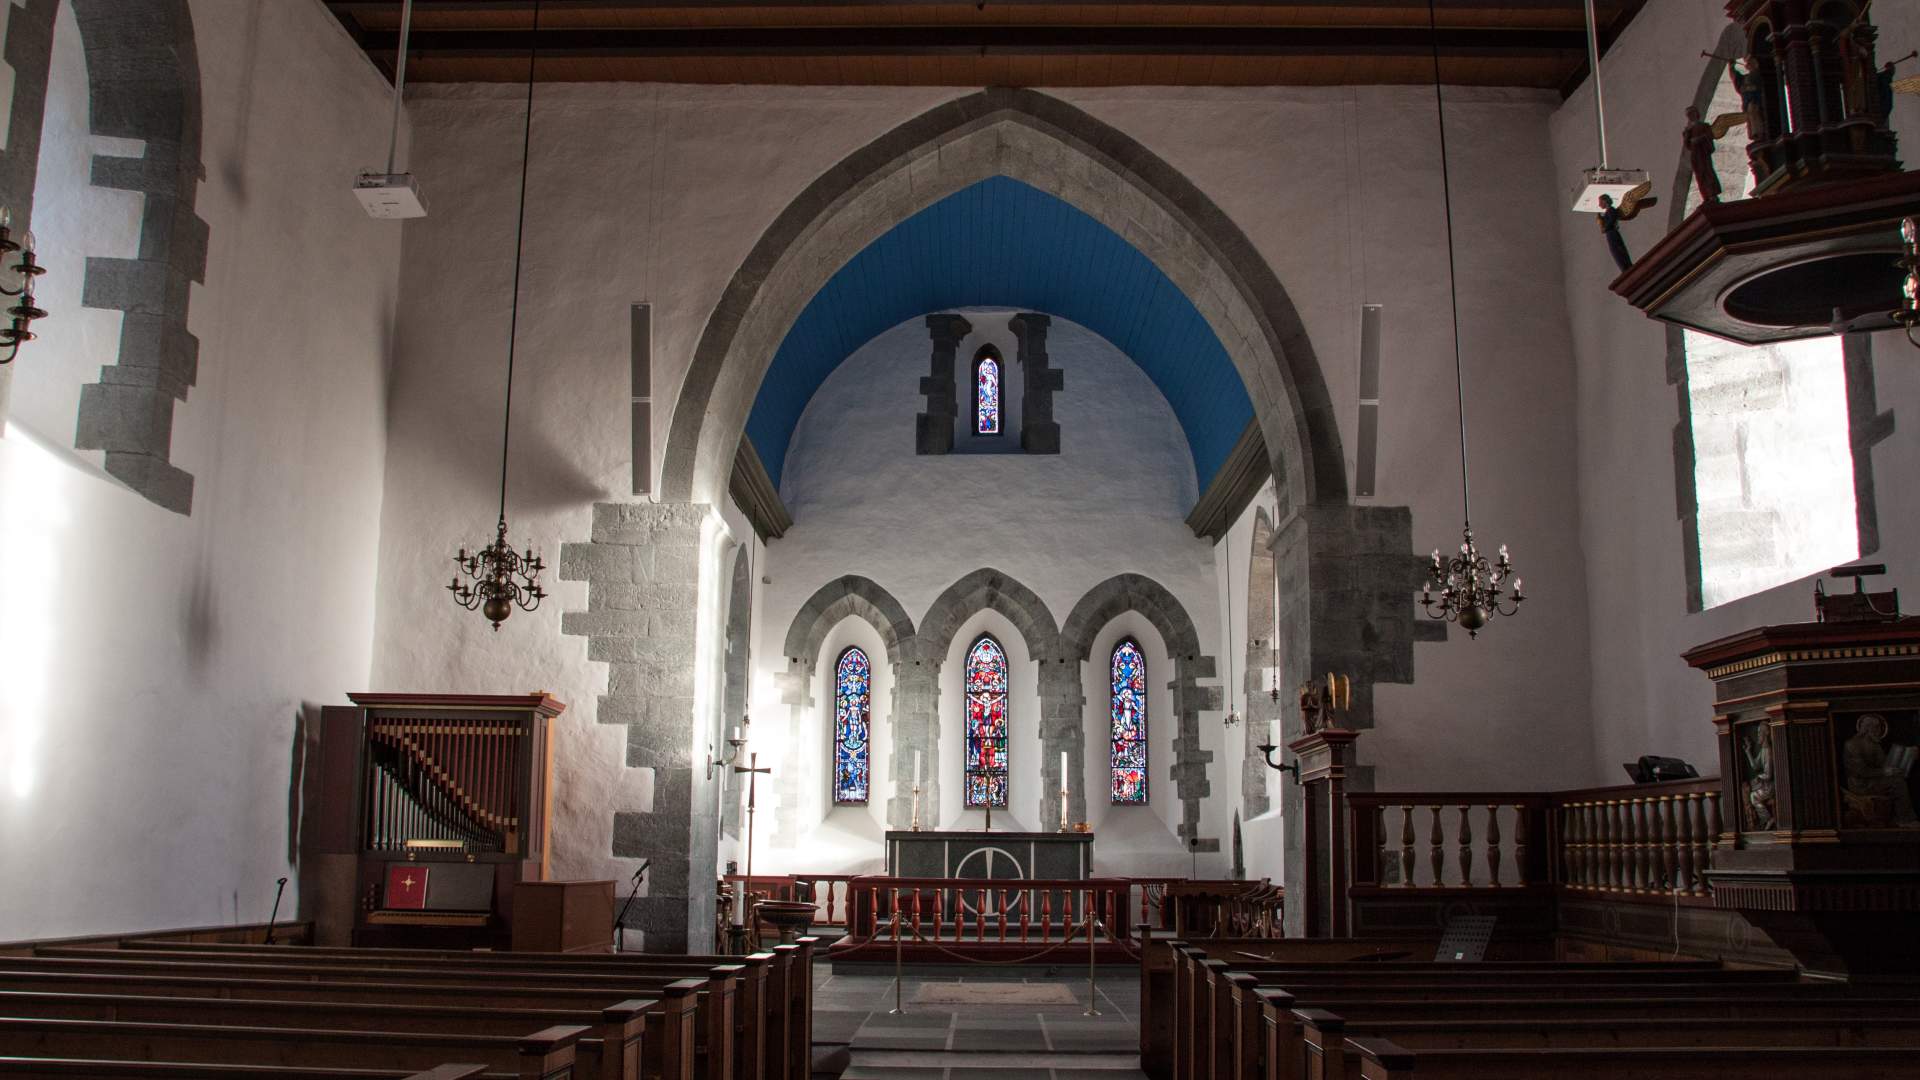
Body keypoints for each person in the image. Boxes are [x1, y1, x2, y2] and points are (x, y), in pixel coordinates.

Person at [1683, 106, 1723, 205]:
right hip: (1696, 155)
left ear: (1696, 114)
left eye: (1692, 113)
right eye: (1688, 115)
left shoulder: (1704, 126)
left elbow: (1709, 136)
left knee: (1708, 173)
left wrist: (1700, 139)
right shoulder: (1689, 129)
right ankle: (1706, 196)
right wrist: (1687, 134)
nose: (1690, 116)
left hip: (1703, 153)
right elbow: (1687, 145)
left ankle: (1713, 195)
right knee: (1700, 176)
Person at [1598, 194, 1632, 273]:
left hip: (1612, 233)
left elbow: (1611, 221)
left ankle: (1626, 267)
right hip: (1610, 234)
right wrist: (1601, 219)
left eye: (1600, 202)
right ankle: (1624, 268)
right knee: (1615, 252)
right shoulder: (1608, 212)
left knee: (1618, 250)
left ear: (1605, 201)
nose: (1599, 204)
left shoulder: (1611, 210)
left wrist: (1605, 227)